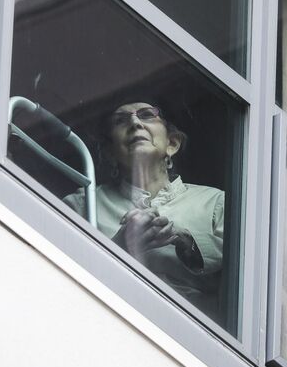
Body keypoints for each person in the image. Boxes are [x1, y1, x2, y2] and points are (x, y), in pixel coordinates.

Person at [64, 102, 224, 316]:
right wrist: (119, 247)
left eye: (147, 115)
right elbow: (61, 278)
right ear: (110, 152)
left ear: (172, 144)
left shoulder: (215, 201)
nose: (135, 122)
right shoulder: (83, 204)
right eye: (121, 120)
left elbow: (243, 277)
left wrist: (185, 242)